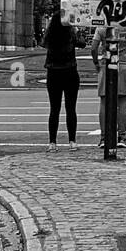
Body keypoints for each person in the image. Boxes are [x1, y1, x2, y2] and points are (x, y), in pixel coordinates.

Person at [41, 11, 79, 151]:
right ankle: (72, 141)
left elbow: (43, 44)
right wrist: (75, 29)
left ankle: (52, 143)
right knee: (71, 109)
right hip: (70, 72)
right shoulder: (70, 33)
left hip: (53, 73)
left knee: (54, 109)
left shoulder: (50, 36)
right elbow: (81, 43)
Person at [92, 24, 126, 148]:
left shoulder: (101, 27)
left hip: (106, 63)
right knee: (123, 103)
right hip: (124, 64)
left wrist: (96, 62)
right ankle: (122, 136)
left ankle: (104, 137)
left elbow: (93, 47)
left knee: (104, 102)